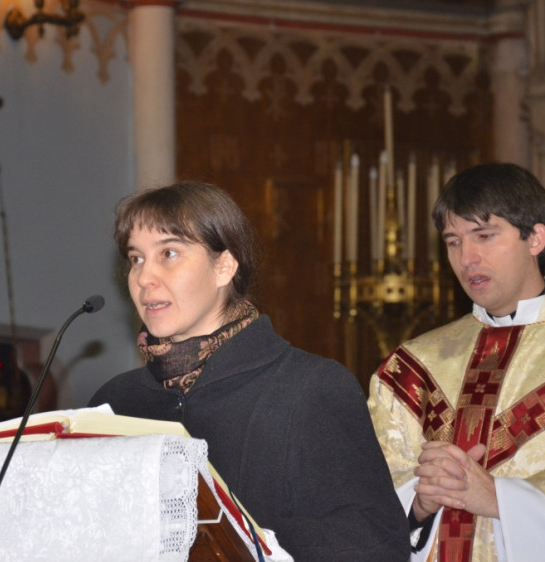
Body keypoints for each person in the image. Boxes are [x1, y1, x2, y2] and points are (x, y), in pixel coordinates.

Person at [89, 181, 409, 561]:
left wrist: (240, 541)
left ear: (224, 266)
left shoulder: (311, 388)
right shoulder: (114, 403)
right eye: (136, 259)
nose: (144, 278)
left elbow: (376, 543)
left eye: (169, 253)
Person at [366, 162, 545, 561]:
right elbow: (366, 493)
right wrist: (417, 504)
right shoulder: (409, 368)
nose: (466, 258)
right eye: (453, 241)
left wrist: (500, 499)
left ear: (535, 238)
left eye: (484, 236)